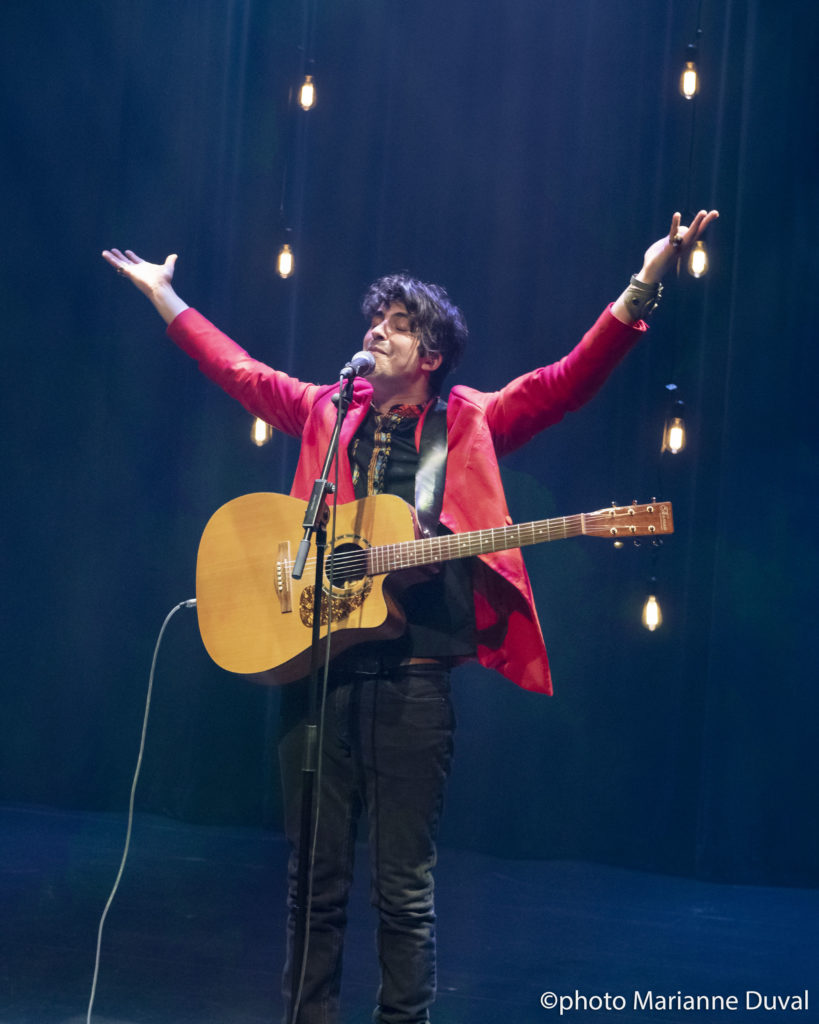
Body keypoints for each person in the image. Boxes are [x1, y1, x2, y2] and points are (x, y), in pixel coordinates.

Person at [102, 208, 718, 1024]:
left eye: (396, 327)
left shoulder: (467, 420)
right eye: (374, 323)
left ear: (429, 356)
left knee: (403, 891)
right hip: (319, 672)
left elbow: (568, 379)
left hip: (414, 686)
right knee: (311, 888)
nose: (376, 334)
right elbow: (244, 374)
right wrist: (165, 299)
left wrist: (643, 283)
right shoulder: (330, 411)